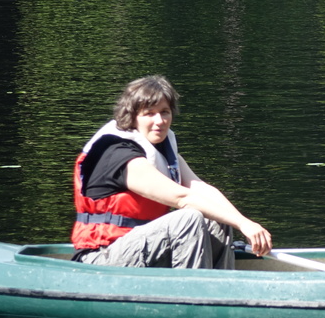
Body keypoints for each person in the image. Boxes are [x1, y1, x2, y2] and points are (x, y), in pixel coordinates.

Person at [71, 75, 272, 269]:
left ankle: (218, 286)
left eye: (165, 112)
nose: (159, 120)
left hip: (142, 251)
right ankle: (191, 290)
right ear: (132, 117)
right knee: (189, 218)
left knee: (216, 217)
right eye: (149, 113)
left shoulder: (162, 151)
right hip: (102, 257)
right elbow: (182, 198)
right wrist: (242, 224)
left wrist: (246, 223)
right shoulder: (118, 154)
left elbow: (201, 189)